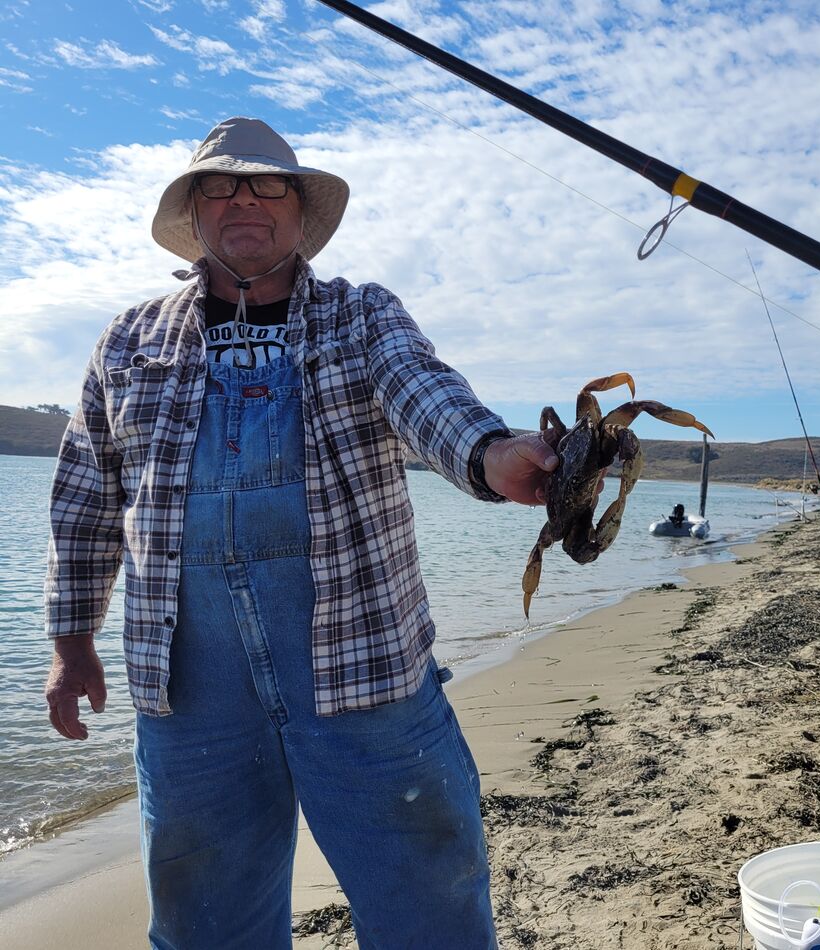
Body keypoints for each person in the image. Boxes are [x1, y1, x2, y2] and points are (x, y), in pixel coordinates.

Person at [42, 117, 572, 949]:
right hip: (190, 696)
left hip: (367, 676)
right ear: (195, 213)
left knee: (428, 906)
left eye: (266, 183)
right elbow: (84, 500)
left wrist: (494, 454)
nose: (243, 197)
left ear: (298, 210)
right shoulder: (129, 341)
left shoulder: (360, 318)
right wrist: (71, 643)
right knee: (205, 924)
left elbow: (425, 395)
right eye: (220, 184)